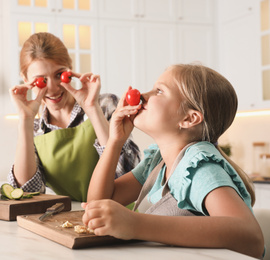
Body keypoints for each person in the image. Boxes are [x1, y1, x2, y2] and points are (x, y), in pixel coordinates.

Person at [82, 64, 264, 258]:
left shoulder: (200, 167)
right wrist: (115, 141)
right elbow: (99, 204)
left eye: (159, 91)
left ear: (189, 118)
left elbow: (251, 237)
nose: (142, 95)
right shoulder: (158, 161)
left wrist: (136, 224)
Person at [7, 32, 140, 202]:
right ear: (25, 79)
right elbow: (26, 192)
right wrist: (25, 119)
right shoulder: (34, 130)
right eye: (41, 81)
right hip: (69, 220)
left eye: (59, 75)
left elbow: (128, 172)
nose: (53, 88)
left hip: (118, 214)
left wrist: (91, 108)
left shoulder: (105, 105)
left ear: (70, 68)